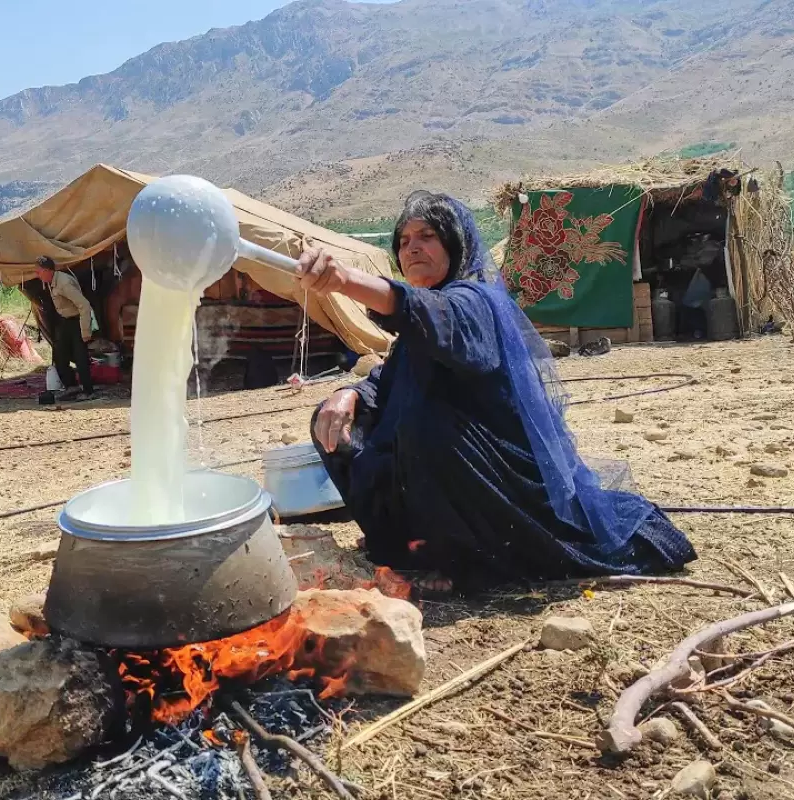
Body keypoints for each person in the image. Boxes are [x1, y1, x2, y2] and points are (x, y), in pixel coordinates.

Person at [298, 191, 697, 595]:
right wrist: (347, 393)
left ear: (454, 244)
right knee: (333, 421)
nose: (412, 247)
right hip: (442, 471)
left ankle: (465, 561)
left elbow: (431, 314)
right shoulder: (417, 325)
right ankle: (407, 543)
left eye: (427, 236)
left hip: (501, 480)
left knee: (426, 424)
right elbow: (390, 379)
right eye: (403, 241)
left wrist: (343, 280)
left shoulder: (473, 302)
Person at [36, 256, 95, 401]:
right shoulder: (52, 282)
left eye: (39, 271)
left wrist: (85, 330)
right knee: (60, 355)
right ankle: (71, 386)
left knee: (80, 357)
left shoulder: (64, 283)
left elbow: (84, 305)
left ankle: (88, 391)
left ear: (47, 270)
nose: (37, 275)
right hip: (65, 321)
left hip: (76, 321)